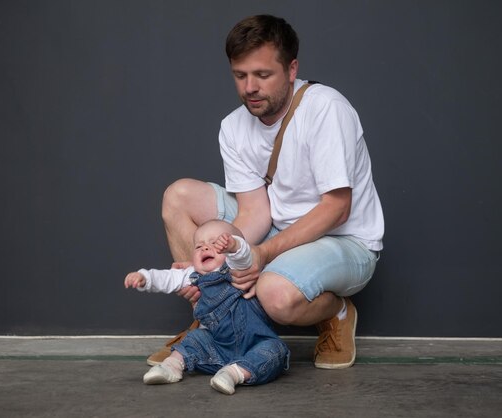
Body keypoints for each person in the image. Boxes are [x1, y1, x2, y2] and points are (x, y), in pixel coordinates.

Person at [149, 14, 384, 370]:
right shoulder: (233, 126)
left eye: (262, 75)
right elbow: (255, 212)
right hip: (276, 227)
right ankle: (215, 320)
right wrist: (214, 261)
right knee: (178, 195)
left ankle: (337, 312)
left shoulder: (325, 109)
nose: (250, 88)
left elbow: (337, 208)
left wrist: (260, 254)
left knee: (275, 295)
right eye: (240, 76)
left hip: (344, 241)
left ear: (291, 70)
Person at [125, 219, 290, 395]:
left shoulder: (239, 268)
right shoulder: (192, 275)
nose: (204, 248)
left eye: (214, 243)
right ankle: (171, 366)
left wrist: (235, 246)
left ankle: (233, 374)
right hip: (216, 348)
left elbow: (243, 256)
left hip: (256, 345)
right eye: (199, 246)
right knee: (195, 338)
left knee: (275, 350)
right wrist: (145, 278)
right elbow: (168, 279)